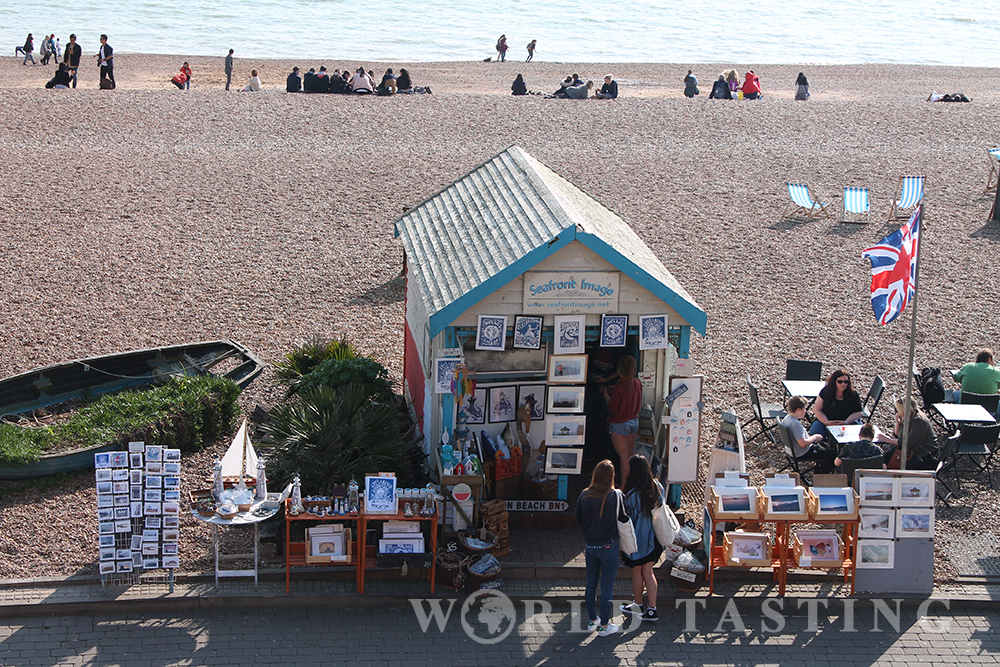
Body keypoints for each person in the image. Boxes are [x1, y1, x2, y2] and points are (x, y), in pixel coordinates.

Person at [575, 460, 623, 637]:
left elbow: (578, 521)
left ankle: (592, 620)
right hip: (609, 546)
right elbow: (625, 518)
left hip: (590, 546)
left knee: (591, 584)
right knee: (607, 587)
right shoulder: (615, 496)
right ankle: (604, 625)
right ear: (611, 477)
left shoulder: (584, 495)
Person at [620, 455, 664, 622]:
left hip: (637, 540)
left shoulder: (631, 494)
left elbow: (626, 517)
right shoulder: (657, 486)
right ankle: (652, 609)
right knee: (649, 572)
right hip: (654, 538)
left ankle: (637, 603)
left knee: (637, 572)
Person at [601, 355, 642, 482]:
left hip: (619, 423)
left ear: (619, 370)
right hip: (634, 421)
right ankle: (631, 484)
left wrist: (607, 397)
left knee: (623, 457)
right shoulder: (638, 382)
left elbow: (613, 409)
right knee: (629, 455)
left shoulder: (619, 387)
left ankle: (624, 486)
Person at [877, 398, 938, 470]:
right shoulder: (908, 417)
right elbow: (897, 436)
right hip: (911, 451)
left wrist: (887, 439)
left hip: (924, 455)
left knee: (892, 461)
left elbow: (906, 442)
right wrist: (897, 424)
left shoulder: (919, 421)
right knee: (884, 457)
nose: (898, 412)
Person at [782, 396, 837, 474]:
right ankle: (820, 477)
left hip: (792, 450)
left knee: (825, 446)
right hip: (801, 452)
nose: (805, 411)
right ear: (798, 409)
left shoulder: (787, 418)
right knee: (831, 456)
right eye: (804, 409)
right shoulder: (795, 424)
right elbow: (803, 443)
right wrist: (814, 437)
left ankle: (818, 470)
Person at [809, 369, 864, 439]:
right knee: (815, 432)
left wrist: (846, 422)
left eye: (846, 382)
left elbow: (859, 412)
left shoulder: (853, 394)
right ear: (834, 382)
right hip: (826, 420)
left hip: (847, 422)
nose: (843, 384)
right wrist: (826, 422)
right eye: (840, 382)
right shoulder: (826, 392)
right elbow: (817, 409)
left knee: (859, 433)